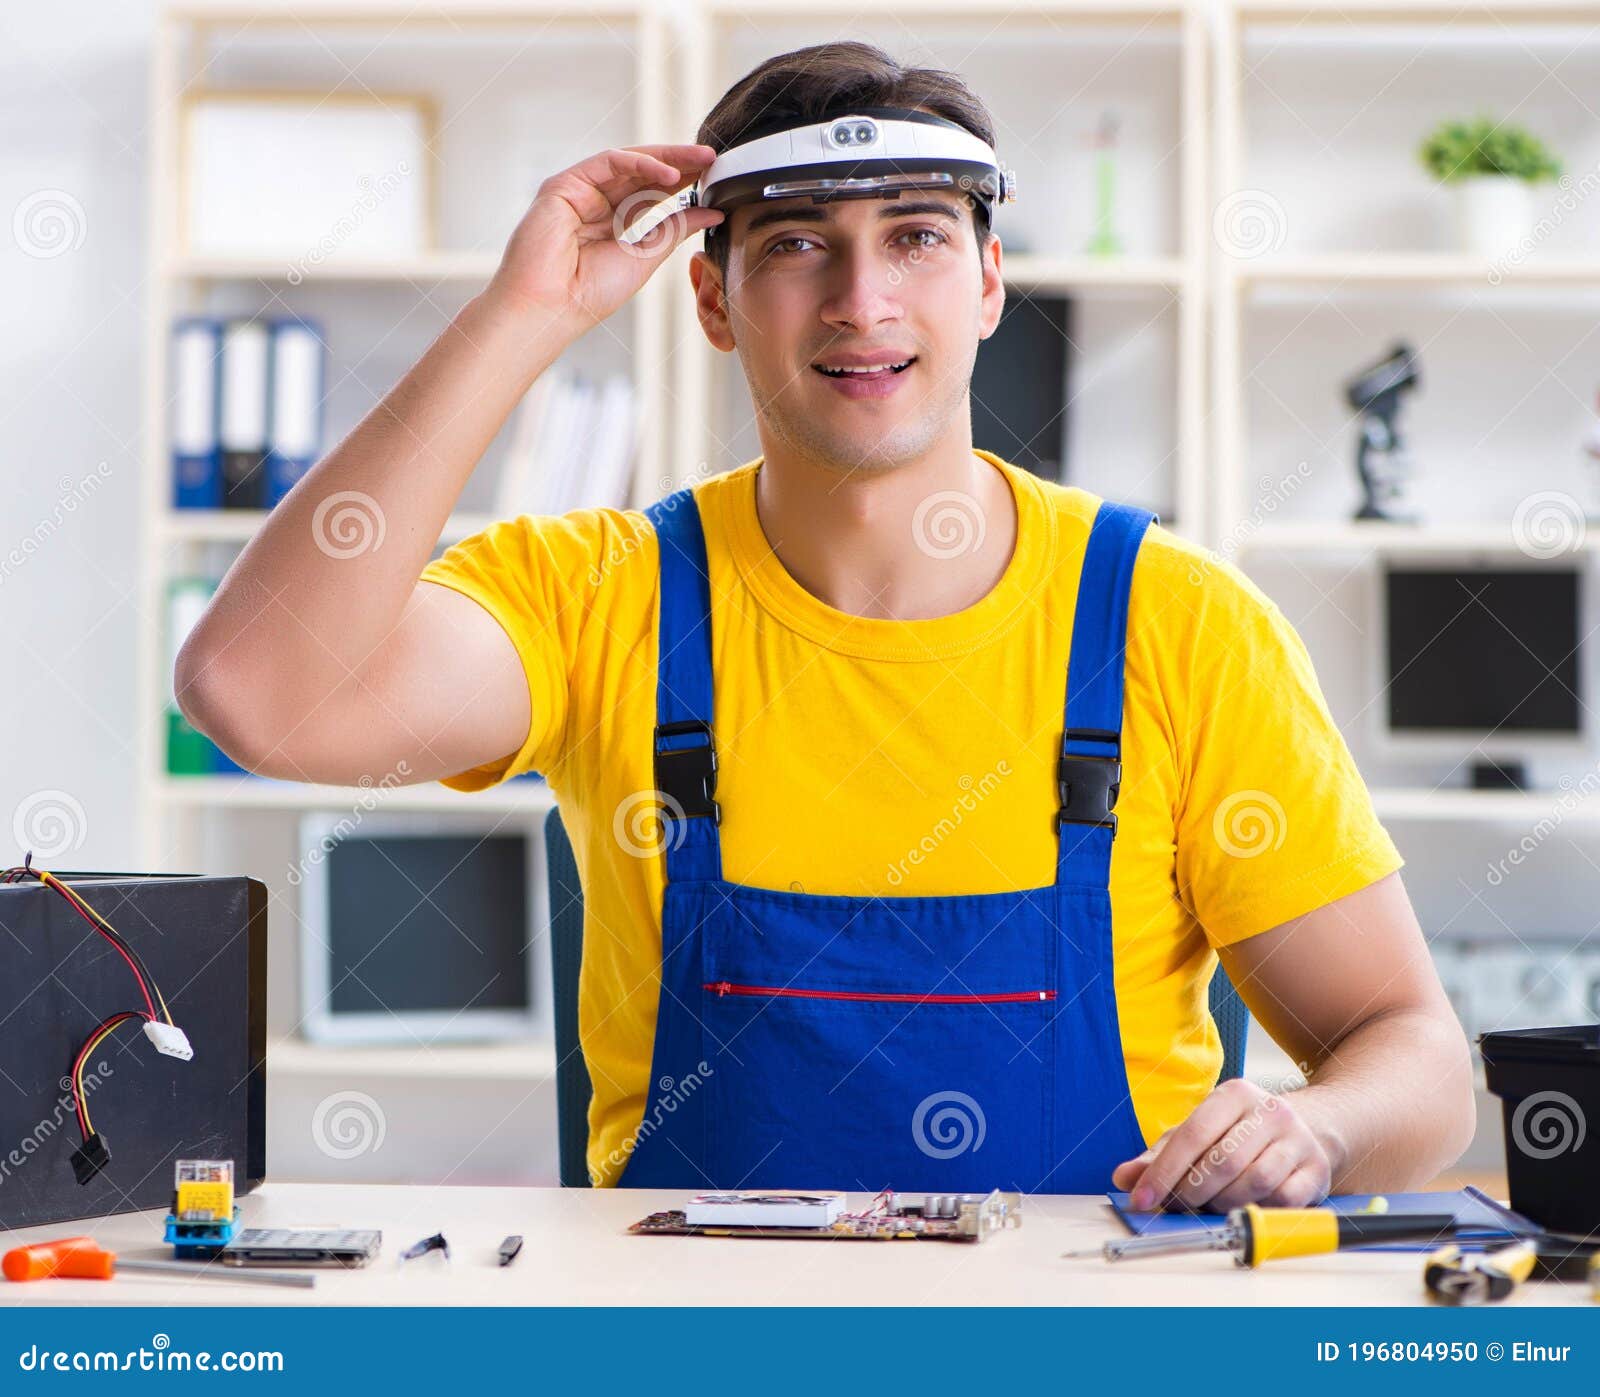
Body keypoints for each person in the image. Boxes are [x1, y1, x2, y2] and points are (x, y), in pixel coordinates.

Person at [176, 42, 1475, 1203]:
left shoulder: (1178, 625)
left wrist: (1315, 1128)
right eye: (797, 242)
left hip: (1083, 1341)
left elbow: (1412, 1055)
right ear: (712, 300)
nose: (862, 297)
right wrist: (528, 315)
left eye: (915, 236)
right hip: (694, 1342)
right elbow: (256, 690)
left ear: (988, 283)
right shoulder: (598, 598)